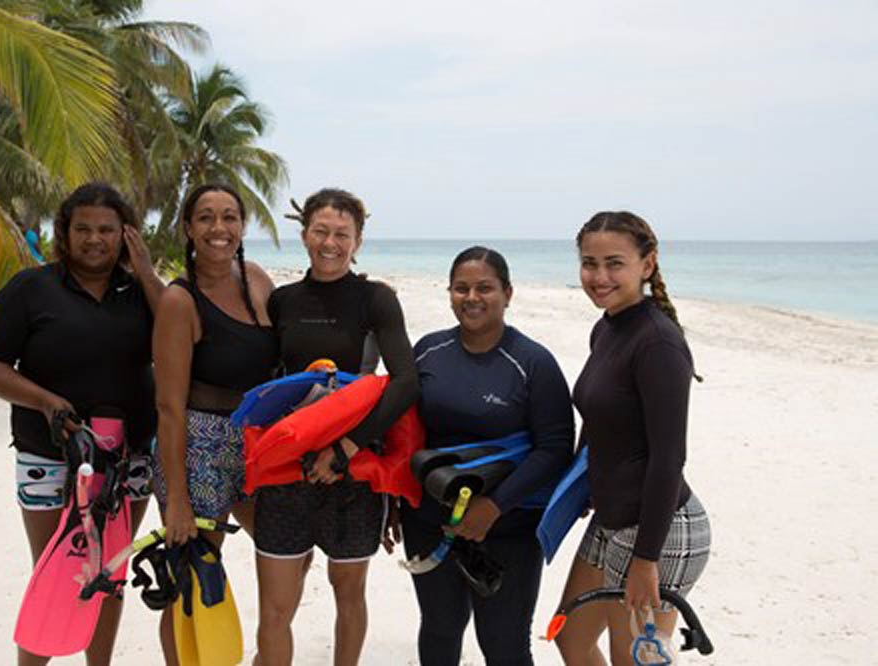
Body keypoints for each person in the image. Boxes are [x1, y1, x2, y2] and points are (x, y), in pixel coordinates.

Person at [0, 182, 164, 666]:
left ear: (126, 234)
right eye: (83, 229)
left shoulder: (141, 292)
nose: (95, 239)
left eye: (107, 229)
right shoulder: (32, 288)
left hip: (128, 456)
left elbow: (187, 338)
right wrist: (46, 401)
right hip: (49, 454)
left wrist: (146, 273)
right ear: (65, 232)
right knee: (58, 573)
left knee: (110, 573)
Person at [254, 188, 419, 666]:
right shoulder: (282, 301)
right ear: (304, 234)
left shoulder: (376, 300)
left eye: (342, 234)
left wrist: (346, 450)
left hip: (355, 469)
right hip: (289, 468)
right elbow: (269, 385)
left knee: (348, 594)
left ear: (358, 241)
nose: (330, 243)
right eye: (321, 231)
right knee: (275, 607)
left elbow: (405, 383)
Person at [397, 246, 575, 666]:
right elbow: (405, 432)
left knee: (504, 643)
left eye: (484, 288)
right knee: (440, 628)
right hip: (429, 519)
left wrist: (492, 507)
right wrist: (393, 498)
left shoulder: (533, 362)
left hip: (509, 525)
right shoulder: (428, 350)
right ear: (449, 293)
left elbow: (555, 448)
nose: (471, 297)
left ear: (507, 293)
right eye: (461, 288)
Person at [554, 211, 711, 666]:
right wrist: (580, 485)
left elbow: (668, 459)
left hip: (659, 529)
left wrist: (646, 560)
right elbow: (600, 416)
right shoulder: (606, 327)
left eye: (614, 263)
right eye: (589, 263)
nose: (599, 277)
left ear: (647, 264)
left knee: (636, 661)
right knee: (572, 638)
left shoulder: (657, 343)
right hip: (611, 517)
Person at [151, 183, 278, 660]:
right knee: (193, 571)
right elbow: (168, 405)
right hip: (197, 443)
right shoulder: (178, 302)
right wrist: (177, 501)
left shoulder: (258, 280)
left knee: (284, 550)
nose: (218, 228)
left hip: (254, 441)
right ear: (188, 228)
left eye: (229, 217)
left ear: (242, 226)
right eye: (205, 217)